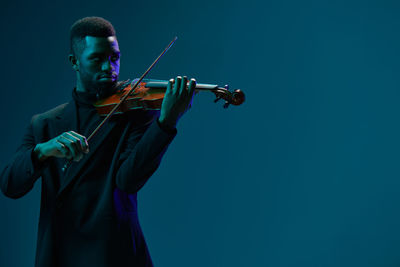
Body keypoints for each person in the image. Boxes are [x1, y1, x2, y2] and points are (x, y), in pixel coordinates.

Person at [0, 16, 195, 267]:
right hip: (59, 252)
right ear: (75, 62)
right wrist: (43, 150)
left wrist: (166, 123)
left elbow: (128, 180)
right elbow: (9, 185)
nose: (109, 68)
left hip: (113, 251)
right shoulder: (45, 124)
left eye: (114, 58)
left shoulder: (136, 113)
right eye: (97, 59)